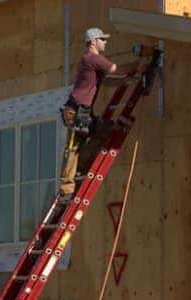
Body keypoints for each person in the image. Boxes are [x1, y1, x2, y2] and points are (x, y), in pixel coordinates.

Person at [61, 27, 124, 196]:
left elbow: (107, 77)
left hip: (82, 113)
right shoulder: (92, 58)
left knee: (102, 132)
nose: (105, 42)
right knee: (73, 148)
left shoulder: (90, 61)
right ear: (93, 41)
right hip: (75, 112)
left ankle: (80, 166)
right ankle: (66, 187)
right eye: (102, 39)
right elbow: (112, 68)